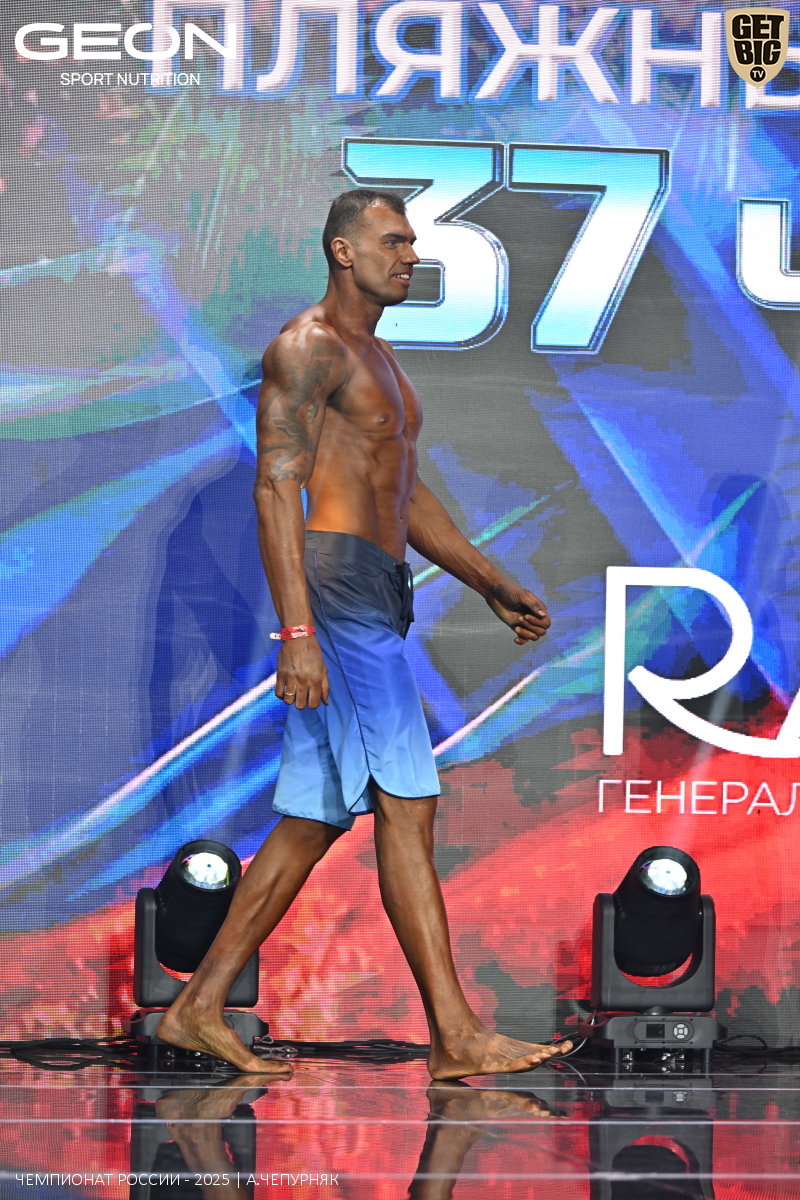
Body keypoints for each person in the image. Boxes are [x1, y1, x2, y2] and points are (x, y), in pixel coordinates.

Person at [157, 189, 571, 1077]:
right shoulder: (306, 346)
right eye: (393, 240)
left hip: (376, 589)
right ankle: (456, 1035)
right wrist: (296, 631)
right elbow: (276, 487)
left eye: (412, 242)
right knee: (408, 807)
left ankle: (195, 1009)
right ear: (343, 251)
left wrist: (489, 581)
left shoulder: (379, 357)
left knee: (313, 818)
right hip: (337, 593)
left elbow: (403, 492)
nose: (411, 254)